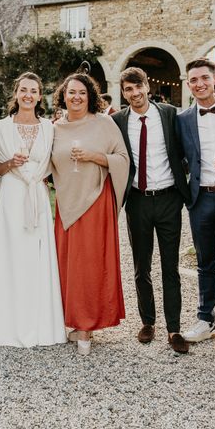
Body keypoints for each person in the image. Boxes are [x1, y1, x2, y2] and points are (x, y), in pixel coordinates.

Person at [0, 72, 66, 348]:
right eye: (23, 90)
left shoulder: (49, 128)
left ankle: (43, 325)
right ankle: (7, 325)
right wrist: (10, 164)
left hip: (37, 196)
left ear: (40, 96)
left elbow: (54, 164)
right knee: (12, 255)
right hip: (11, 194)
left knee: (38, 256)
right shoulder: (1, 128)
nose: (28, 95)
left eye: (33, 91)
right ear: (16, 94)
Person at [112, 67, 191, 354]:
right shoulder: (118, 120)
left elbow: (185, 150)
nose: (134, 94)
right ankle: (148, 321)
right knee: (140, 265)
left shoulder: (170, 114)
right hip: (137, 200)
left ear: (148, 85)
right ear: (123, 93)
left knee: (170, 267)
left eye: (138, 87)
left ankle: (174, 328)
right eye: (128, 90)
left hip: (170, 198)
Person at [51, 73, 129, 355]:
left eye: (82, 93)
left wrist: (94, 157)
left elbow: (122, 159)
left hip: (96, 200)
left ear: (90, 95)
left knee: (90, 264)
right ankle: (70, 320)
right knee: (67, 264)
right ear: (63, 95)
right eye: (71, 92)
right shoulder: (55, 128)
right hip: (65, 203)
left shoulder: (104, 123)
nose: (76, 97)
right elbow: (45, 164)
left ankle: (86, 326)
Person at [176, 58, 215, 347]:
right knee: (205, 262)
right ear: (188, 84)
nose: (199, 84)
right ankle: (204, 319)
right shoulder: (183, 118)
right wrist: (186, 195)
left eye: (204, 78)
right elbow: (178, 159)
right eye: (193, 80)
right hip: (201, 199)